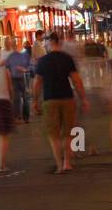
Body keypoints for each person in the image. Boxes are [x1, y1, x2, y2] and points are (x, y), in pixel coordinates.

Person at [32, 32, 88, 173]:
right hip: (67, 97)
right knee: (67, 132)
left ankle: (58, 165)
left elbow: (37, 83)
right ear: (60, 42)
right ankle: (67, 162)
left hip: (50, 99)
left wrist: (34, 101)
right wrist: (83, 98)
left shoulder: (43, 61)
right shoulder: (67, 59)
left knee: (53, 134)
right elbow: (76, 79)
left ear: (50, 43)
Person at [4, 38, 33, 124]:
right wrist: (24, 70)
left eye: (13, 45)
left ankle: (20, 117)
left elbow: (27, 67)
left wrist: (24, 70)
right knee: (21, 98)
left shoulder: (16, 56)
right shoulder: (18, 56)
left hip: (18, 78)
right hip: (18, 78)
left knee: (21, 98)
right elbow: (8, 68)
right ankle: (22, 117)